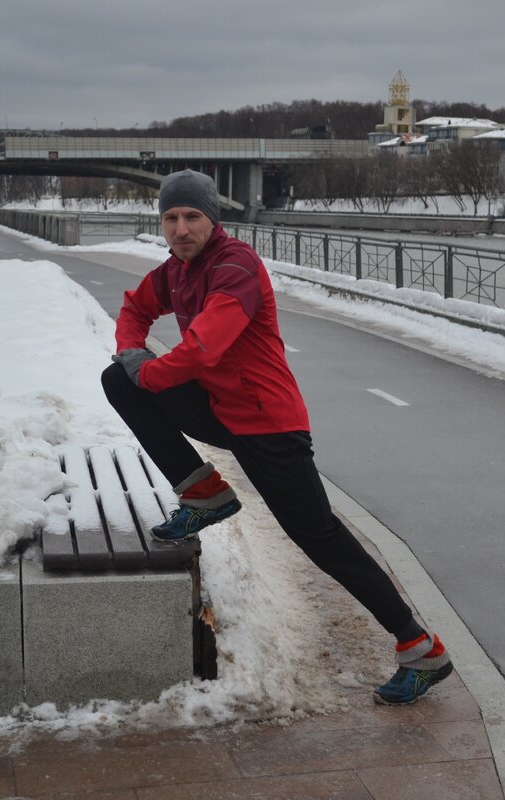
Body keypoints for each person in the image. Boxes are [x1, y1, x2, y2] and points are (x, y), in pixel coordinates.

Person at [101, 169, 452, 705]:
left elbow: (202, 349)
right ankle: (203, 493)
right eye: (170, 218)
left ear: (212, 219)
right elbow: (134, 307)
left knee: (321, 539)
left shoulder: (235, 266)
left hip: (269, 423)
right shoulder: (176, 271)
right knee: (116, 378)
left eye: (191, 216)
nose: (180, 228)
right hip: (221, 409)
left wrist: (147, 372)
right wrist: (131, 354)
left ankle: (420, 647)